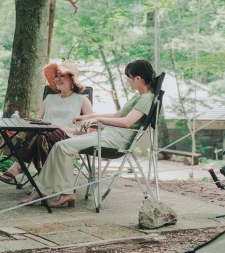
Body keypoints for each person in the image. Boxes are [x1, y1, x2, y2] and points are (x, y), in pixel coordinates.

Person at [19, 59, 157, 208]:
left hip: (115, 140)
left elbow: (126, 123)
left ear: (138, 78)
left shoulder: (146, 99)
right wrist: (88, 117)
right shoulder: (138, 96)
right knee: (60, 146)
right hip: (108, 135)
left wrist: (96, 120)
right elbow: (117, 115)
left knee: (63, 147)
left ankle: (59, 192)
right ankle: (47, 191)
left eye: (128, 77)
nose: (128, 81)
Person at [0, 61, 93, 185]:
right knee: (39, 135)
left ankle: (18, 167)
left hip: (69, 137)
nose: (57, 79)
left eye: (62, 75)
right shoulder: (49, 99)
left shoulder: (82, 100)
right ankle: (44, 181)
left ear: (72, 79)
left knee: (40, 134)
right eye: (56, 76)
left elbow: (91, 129)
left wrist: (70, 130)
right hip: (44, 135)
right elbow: (38, 121)